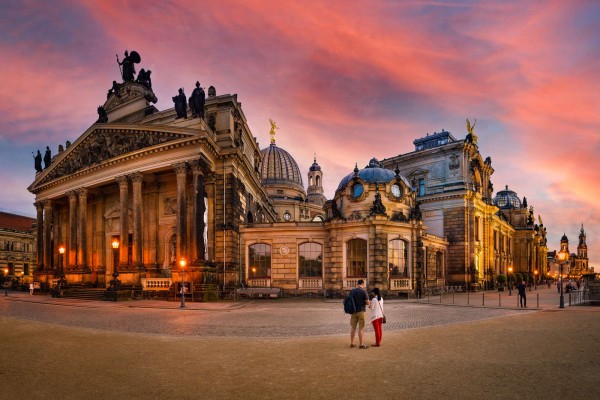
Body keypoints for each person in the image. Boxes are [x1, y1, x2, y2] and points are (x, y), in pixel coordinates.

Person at [349, 279, 370, 349]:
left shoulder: (352, 291)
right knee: (361, 328)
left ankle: (352, 343)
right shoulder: (363, 292)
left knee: (353, 327)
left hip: (353, 311)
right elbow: (367, 303)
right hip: (361, 311)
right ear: (363, 284)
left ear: (357, 284)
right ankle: (361, 344)